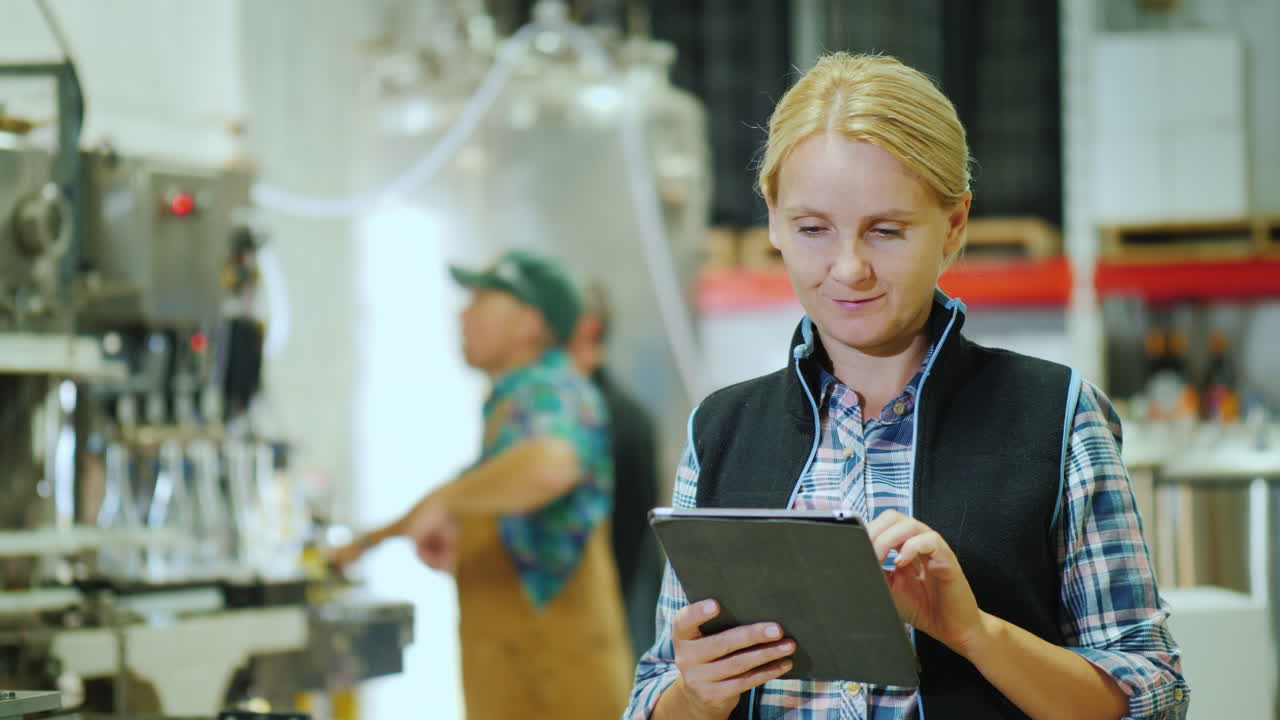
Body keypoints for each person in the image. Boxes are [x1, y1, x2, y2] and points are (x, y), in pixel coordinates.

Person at [624, 52, 1188, 720]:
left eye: (886, 230)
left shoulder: (1057, 415)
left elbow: (1153, 699)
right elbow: (653, 697)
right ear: (773, 219)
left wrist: (975, 633)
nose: (848, 267)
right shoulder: (720, 430)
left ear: (953, 227)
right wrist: (695, 693)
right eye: (812, 229)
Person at [333, 249, 633, 719]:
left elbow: (550, 468)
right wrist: (369, 543)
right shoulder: (513, 406)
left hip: (556, 682)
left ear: (530, 323)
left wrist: (450, 503)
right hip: (516, 677)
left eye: (480, 300)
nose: (462, 312)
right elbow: (476, 486)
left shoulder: (552, 391)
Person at [566, 281, 663, 659]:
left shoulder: (616, 420)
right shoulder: (574, 414)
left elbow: (623, 553)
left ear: (587, 328)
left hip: (615, 636)